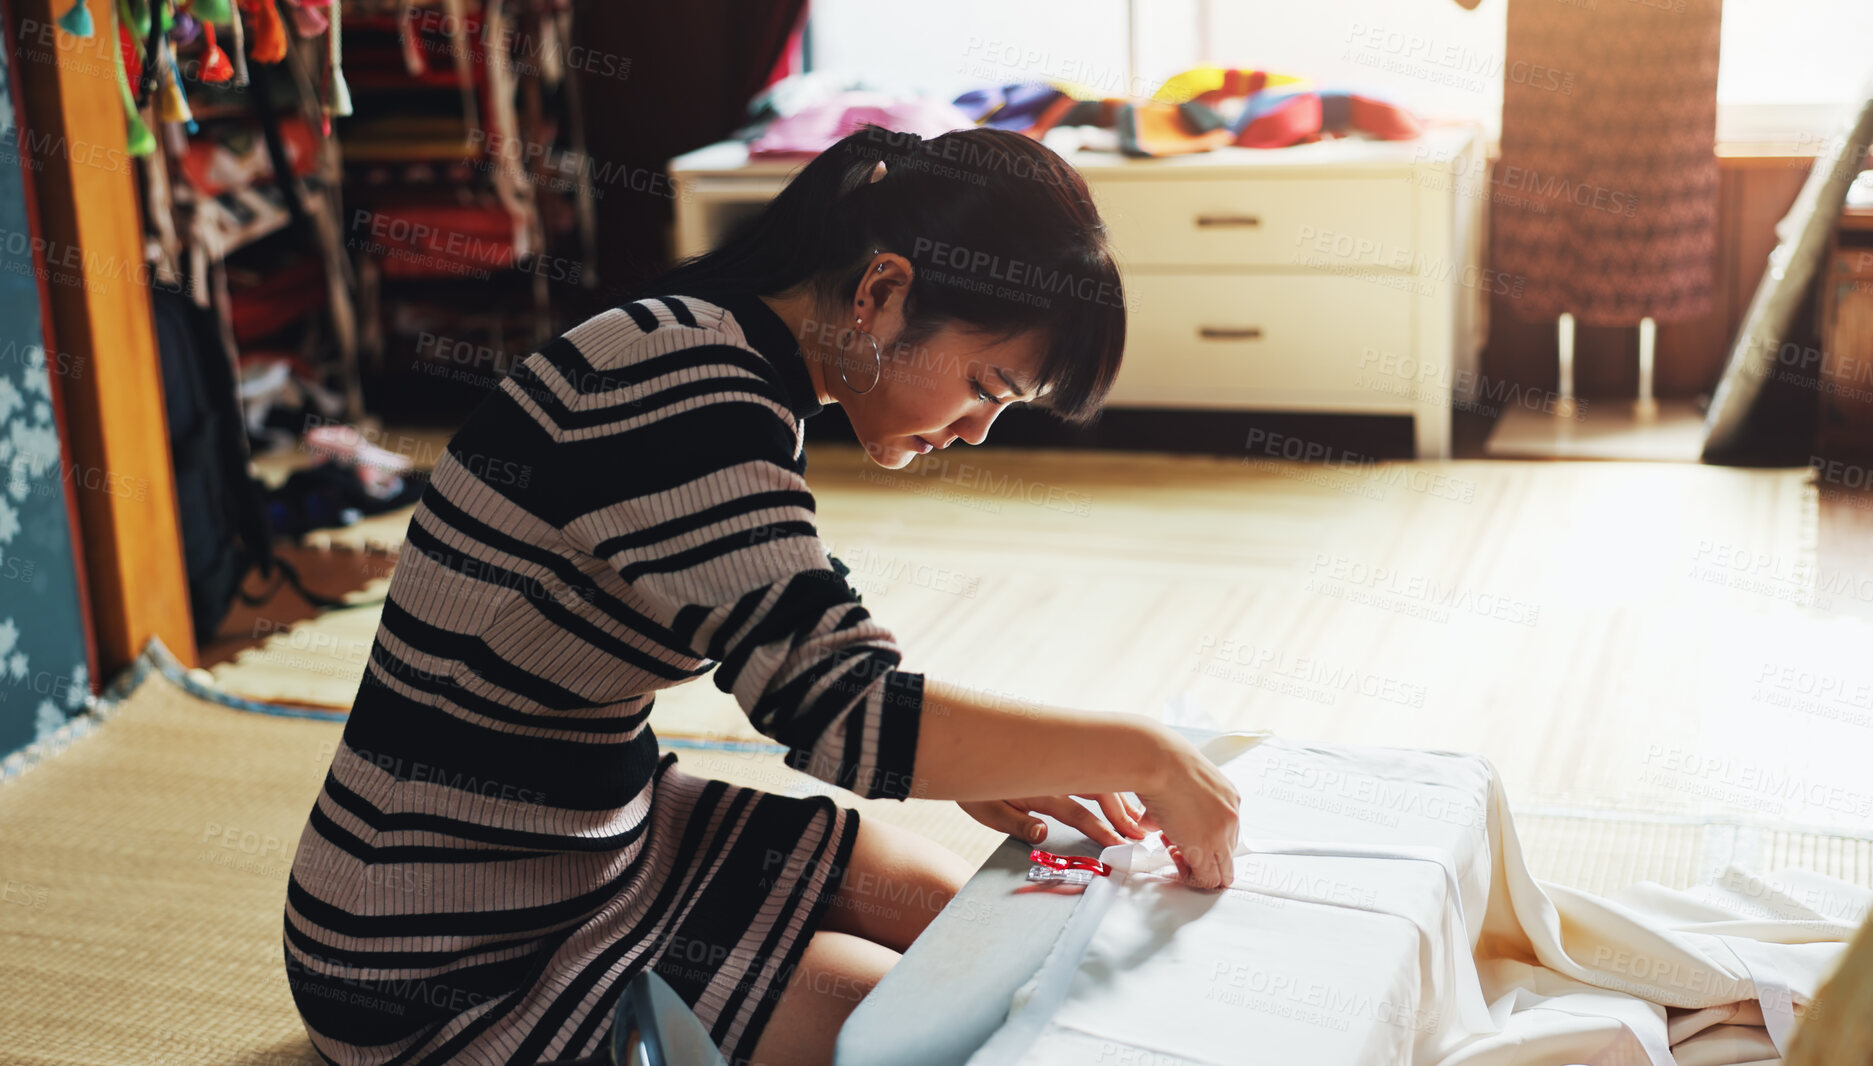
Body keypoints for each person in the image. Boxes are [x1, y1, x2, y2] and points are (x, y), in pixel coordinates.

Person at [282, 123, 1240, 1066]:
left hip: (598, 833)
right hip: (438, 935)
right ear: (883, 290)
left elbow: (823, 636)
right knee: (938, 1025)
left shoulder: (718, 356)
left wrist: (989, 760)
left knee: (990, 935)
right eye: (986, 386)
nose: (979, 430)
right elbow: (842, 718)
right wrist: (1150, 756)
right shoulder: (682, 386)